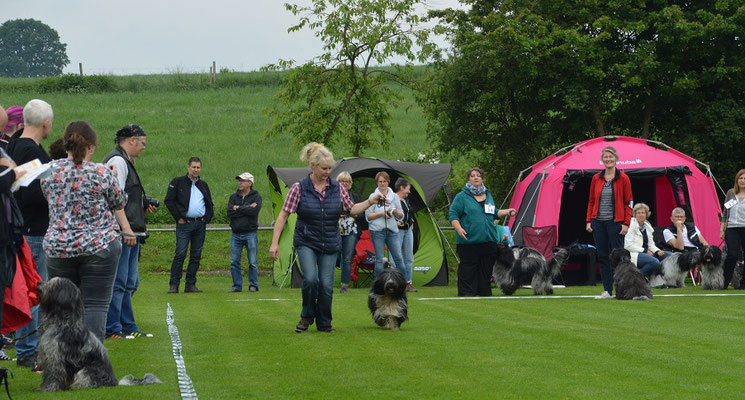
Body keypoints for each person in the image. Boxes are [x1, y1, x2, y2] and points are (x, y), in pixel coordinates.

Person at [269, 142, 382, 333]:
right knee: (311, 280)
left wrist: (370, 201)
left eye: (330, 168)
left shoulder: (337, 188)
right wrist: (274, 243)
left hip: (330, 242)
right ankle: (306, 316)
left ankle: (324, 323)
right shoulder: (299, 188)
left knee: (327, 286)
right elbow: (283, 215)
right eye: (324, 168)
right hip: (306, 240)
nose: (327, 172)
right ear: (313, 166)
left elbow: (352, 209)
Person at [41, 121, 137, 343]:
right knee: (95, 304)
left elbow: (49, 198)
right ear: (91, 147)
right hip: (99, 246)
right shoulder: (101, 172)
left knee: (62, 309)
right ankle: (92, 366)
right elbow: (119, 201)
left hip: (59, 248)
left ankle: (63, 363)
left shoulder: (49, 172)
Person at [7, 99, 53, 367]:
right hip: (34, 229)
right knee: (35, 290)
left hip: (28, 227)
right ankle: (27, 350)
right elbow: (30, 193)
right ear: (46, 123)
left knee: (33, 289)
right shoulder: (28, 150)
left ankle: (29, 347)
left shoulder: (16, 145)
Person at [103, 124, 156, 339]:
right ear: (132, 140)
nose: (143, 148)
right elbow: (114, 199)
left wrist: (141, 205)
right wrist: (125, 229)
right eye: (142, 143)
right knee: (120, 282)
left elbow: (123, 197)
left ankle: (128, 326)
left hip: (131, 230)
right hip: (124, 232)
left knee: (129, 282)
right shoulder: (118, 161)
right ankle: (115, 329)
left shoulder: (124, 160)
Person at [449, 168, 515, 296]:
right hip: (468, 241)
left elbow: (494, 212)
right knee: (468, 270)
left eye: (478, 176)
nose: (476, 178)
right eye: (472, 176)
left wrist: (507, 211)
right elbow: (453, 214)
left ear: (482, 179)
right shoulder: (461, 197)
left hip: (488, 240)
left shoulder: (487, 195)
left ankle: (484, 294)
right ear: (468, 179)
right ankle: (467, 294)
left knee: (486, 270)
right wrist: (458, 228)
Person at [585, 145, 633, 299]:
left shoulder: (624, 178)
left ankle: (622, 290)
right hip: (598, 222)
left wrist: (626, 223)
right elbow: (591, 201)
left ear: (616, 159)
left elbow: (629, 203)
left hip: (616, 223)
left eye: (611, 157)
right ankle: (607, 290)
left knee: (620, 258)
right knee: (603, 256)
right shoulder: (596, 178)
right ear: (602, 160)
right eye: (605, 157)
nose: (608, 159)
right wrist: (589, 221)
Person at [165, 157, 213, 293]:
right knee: (180, 254)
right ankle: (174, 285)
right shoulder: (178, 182)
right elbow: (169, 201)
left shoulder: (203, 185)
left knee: (196, 255)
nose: (196, 170)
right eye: (194, 167)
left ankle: (190, 285)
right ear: (188, 167)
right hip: (184, 224)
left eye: (198, 167)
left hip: (199, 224)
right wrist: (179, 217)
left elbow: (209, 203)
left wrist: (207, 218)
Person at [366, 171, 406, 278]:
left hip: (392, 231)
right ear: (377, 183)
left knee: (398, 258)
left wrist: (394, 212)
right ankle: (379, 284)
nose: (382, 184)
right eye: (380, 181)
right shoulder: (372, 196)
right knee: (379, 259)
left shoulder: (395, 197)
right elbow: (368, 216)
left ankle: (404, 283)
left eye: (384, 181)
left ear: (388, 182)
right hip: (377, 231)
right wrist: (382, 214)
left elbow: (401, 216)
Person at [227, 172, 262, 293]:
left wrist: (239, 208)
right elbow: (230, 212)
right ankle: (237, 286)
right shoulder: (233, 197)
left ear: (250, 183)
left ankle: (253, 285)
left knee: (252, 262)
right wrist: (247, 208)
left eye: (243, 180)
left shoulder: (257, 196)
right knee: (234, 261)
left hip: (250, 233)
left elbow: (254, 211)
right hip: (235, 233)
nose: (240, 182)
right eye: (239, 180)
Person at [623, 203, 669, 278]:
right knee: (654, 262)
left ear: (646, 214)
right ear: (635, 214)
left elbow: (651, 244)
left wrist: (657, 251)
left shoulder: (647, 225)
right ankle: (635, 279)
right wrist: (645, 251)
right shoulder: (630, 225)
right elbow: (628, 245)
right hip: (634, 254)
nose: (641, 215)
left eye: (643, 213)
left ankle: (664, 280)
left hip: (648, 252)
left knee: (668, 255)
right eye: (638, 213)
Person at [336, 171, 359, 294]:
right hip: (335, 228)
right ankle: (327, 282)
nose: (345, 183)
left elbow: (360, 213)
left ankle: (344, 285)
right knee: (333, 255)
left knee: (347, 258)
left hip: (350, 230)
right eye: (342, 181)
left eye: (347, 181)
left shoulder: (354, 196)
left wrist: (352, 214)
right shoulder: (332, 195)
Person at [722, 169, 745, 288]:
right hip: (731, 227)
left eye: (744, 178)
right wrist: (722, 228)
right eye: (740, 178)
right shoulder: (731, 193)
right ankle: (724, 282)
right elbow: (725, 212)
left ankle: (743, 283)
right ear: (737, 180)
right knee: (732, 254)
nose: (742, 181)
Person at [395, 177, 417, 292]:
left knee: (409, 258)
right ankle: (396, 283)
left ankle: (408, 283)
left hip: (408, 231)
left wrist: (411, 221)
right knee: (397, 258)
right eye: (408, 189)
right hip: (397, 232)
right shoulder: (393, 199)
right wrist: (395, 222)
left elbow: (410, 212)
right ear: (402, 187)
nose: (409, 191)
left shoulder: (406, 200)